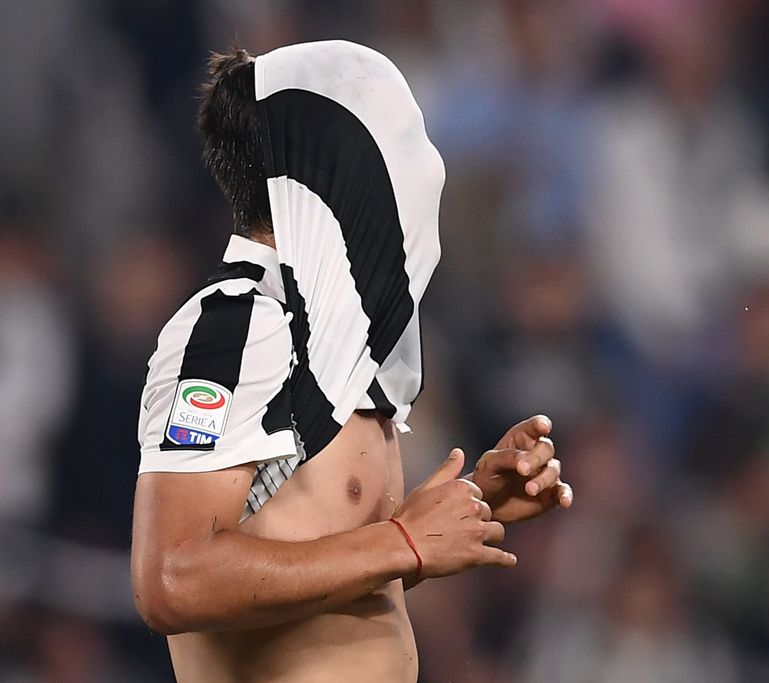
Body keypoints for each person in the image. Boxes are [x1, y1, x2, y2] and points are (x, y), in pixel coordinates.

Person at [130, 41, 572, 683]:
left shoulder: (340, 344)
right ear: (331, 167)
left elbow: (320, 580)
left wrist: (464, 512)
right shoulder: (234, 326)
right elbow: (171, 578)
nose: (422, 168)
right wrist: (405, 543)